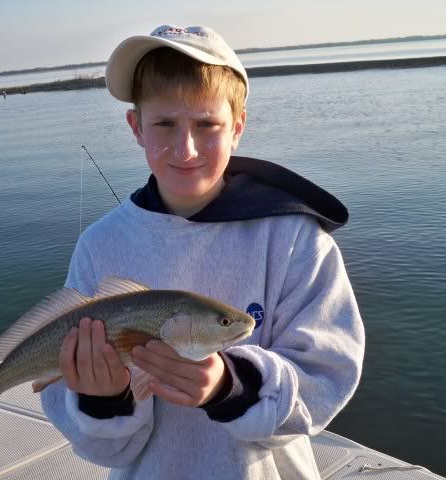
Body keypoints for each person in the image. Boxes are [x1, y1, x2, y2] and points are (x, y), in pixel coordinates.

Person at [40, 24, 365, 479]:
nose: (186, 148)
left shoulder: (295, 238)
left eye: (207, 125)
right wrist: (103, 397)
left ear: (238, 127)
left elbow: (329, 373)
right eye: (164, 123)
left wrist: (231, 386)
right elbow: (91, 438)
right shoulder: (100, 244)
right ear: (136, 127)